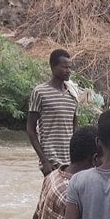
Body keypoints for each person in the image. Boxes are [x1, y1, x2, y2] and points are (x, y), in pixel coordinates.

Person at [26, 48, 79, 176]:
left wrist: (77, 158)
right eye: (64, 67)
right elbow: (30, 129)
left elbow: (75, 128)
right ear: (53, 66)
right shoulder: (40, 92)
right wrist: (44, 161)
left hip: (70, 160)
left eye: (70, 67)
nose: (68, 71)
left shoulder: (73, 94)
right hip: (51, 161)